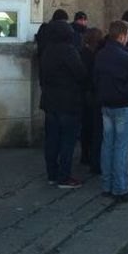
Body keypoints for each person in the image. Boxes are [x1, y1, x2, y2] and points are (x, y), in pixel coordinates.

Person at [94, 20, 128, 202]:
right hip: (124, 106)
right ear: (123, 35)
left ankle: (107, 185)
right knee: (122, 148)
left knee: (107, 146)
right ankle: (120, 188)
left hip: (106, 105)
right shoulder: (127, 56)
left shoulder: (101, 54)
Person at [40, 16, 86, 189]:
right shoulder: (69, 50)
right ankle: (64, 176)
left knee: (52, 140)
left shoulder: (47, 50)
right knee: (67, 141)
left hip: (50, 101)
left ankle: (52, 173)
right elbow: (80, 73)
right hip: (68, 102)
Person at [80, 27, 104, 173]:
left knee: (86, 127)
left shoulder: (82, 53)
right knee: (93, 127)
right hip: (92, 95)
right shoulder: (93, 55)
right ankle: (90, 155)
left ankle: (85, 154)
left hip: (84, 94)